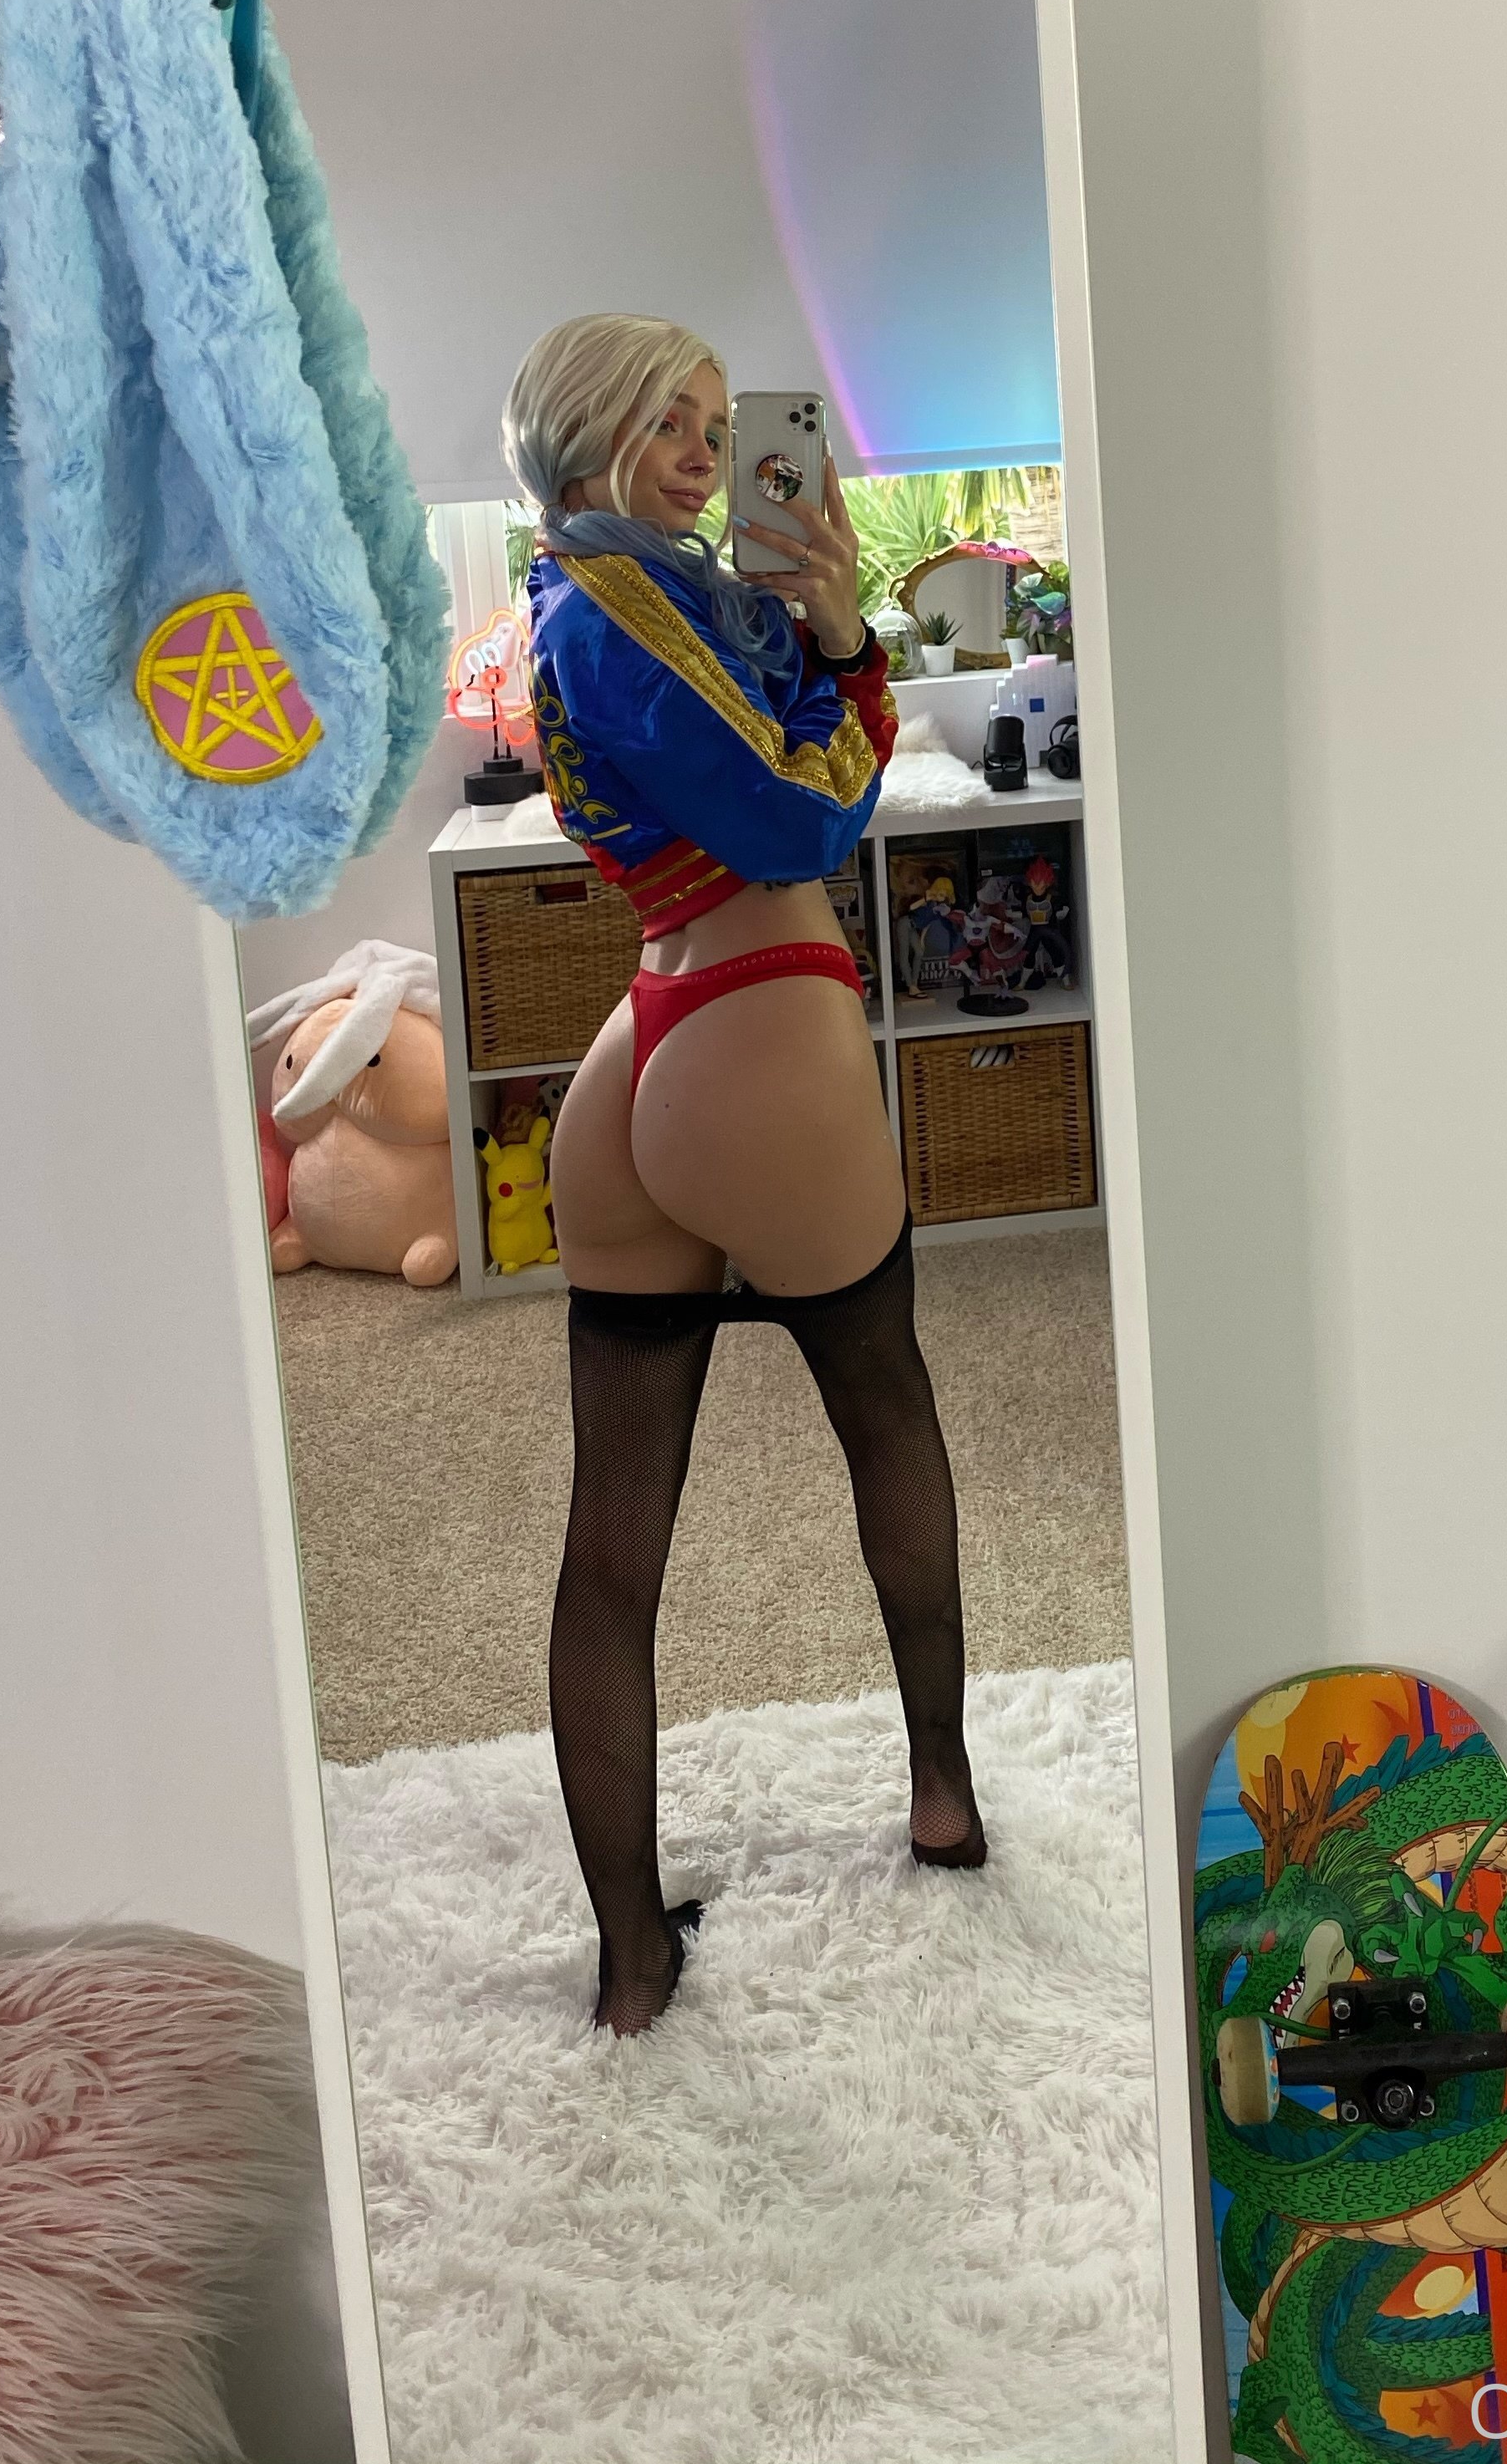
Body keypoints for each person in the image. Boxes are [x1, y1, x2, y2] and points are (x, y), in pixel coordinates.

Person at [506, 312, 984, 2039]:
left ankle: (636, 1960)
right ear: (586, 432)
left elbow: (753, 734)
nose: (706, 453)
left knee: (615, 1534)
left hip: (651, 1032)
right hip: (758, 1017)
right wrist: (849, 677)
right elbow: (801, 816)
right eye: (669, 422)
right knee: (887, 1411)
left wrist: (832, 625)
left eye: (717, 424)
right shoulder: (625, 607)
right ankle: (943, 1796)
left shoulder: (601, 597)